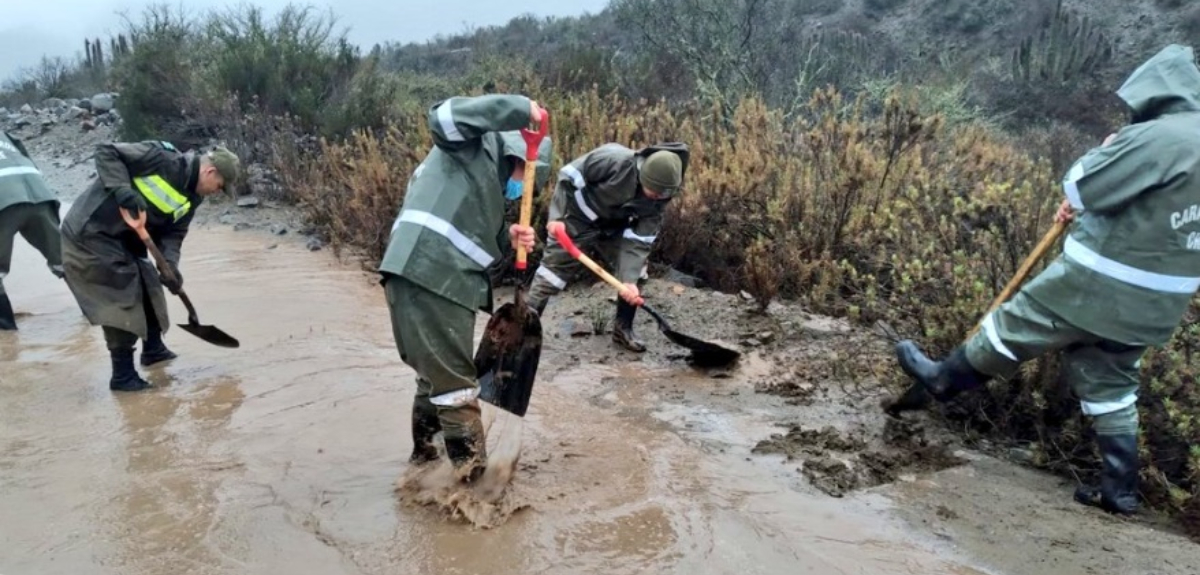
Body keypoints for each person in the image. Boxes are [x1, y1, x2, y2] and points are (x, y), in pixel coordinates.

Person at [890, 44, 1200, 516]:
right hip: (1159, 303)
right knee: (1112, 382)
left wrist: (1105, 151)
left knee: (1012, 326)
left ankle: (942, 380)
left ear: (1154, 92)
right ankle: (1119, 490)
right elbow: (1155, 213)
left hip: (1098, 286)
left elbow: (1082, 184)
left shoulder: (1160, 137)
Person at [379, 94, 552, 482]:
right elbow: (442, 116)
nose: (521, 188)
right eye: (526, 177)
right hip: (431, 276)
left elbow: (464, 230)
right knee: (457, 388)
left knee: (435, 377)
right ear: (520, 154)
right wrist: (518, 108)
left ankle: (424, 464)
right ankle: (473, 492)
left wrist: (506, 236)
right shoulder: (472, 144)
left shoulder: (478, 179)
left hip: (423, 277)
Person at [60, 141, 240, 391]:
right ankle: (123, 376)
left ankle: (153, 351)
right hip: (91, 233)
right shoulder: (161, 158)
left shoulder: (193, 198)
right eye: (219, 186)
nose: (217, 192)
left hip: (127, 238)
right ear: (209, 172)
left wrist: (171, 266)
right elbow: (106, 151)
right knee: (122, 297)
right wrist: (122, 190)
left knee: (150, 286)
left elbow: (174, 234)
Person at [524, 141, 689, 352]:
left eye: (662, 195)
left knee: (636, 272)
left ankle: (623, 329)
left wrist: (629, 281)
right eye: (654, 192)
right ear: (642, 175)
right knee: (551, 273)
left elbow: (639, 241)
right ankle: (524, 329)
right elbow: (568, 176)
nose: (657, 198)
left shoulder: (661, 199)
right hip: (576, 218)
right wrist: (556, 216)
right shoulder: (613, 160)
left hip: (614, 227)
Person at [0, 130, 64, 330]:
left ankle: (8, 334)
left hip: (3, 201)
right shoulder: (4, 134)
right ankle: (100, 317)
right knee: (66, 262)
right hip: (39, 193)